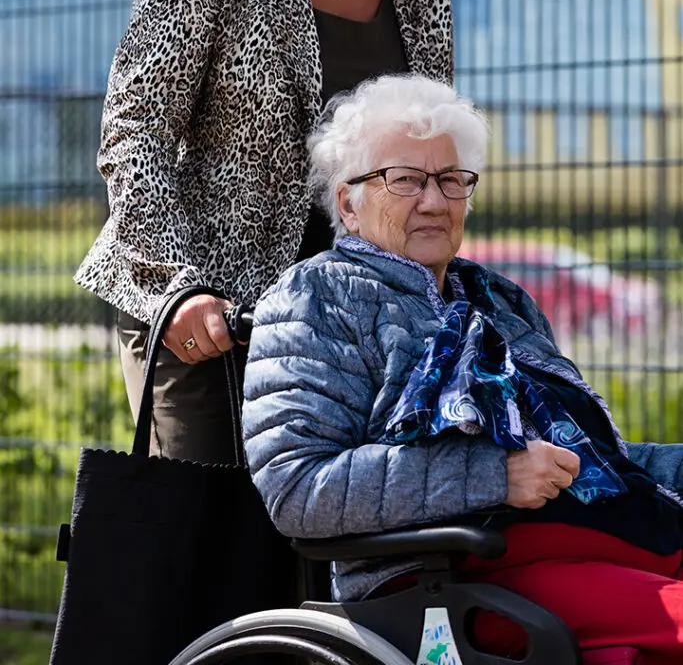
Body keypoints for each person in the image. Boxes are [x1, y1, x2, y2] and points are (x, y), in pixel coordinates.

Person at [74, 0, 454, 464]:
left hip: (355, 316)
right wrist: (174, 286)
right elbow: (135, 127)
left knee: (341, 559)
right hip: (211, 312)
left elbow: (424, 152)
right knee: (214, 556)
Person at [243, 73, 683, 663]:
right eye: (404, 180)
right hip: (448, 573)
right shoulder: (313, 298)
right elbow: (300, 487)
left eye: (451, 180)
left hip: (596, 530)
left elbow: (590, 457)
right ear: (348, 201)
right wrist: (494, 475)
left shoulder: (500, 298)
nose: (435, 200)